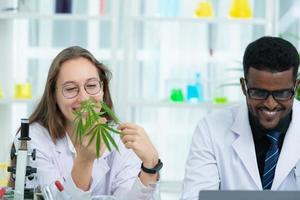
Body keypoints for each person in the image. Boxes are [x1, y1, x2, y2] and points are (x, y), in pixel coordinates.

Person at [15, 46, 162, 199]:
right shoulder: (33, 139)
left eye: (91, 86)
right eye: (71, 89)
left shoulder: (121, 140)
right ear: (53, 95)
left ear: (102, 89)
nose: (84, 98)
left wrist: (150, 165)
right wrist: (84, 160)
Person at [181, 36, 300, 199]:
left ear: (296, 86)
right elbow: (195, 196)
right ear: (244, 86)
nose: (270, 104)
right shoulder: (210, 129)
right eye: (259, 93)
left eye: (282, 93)